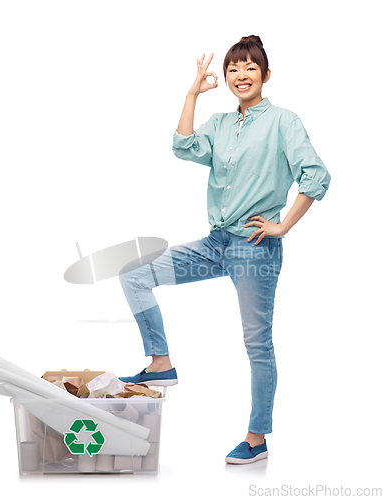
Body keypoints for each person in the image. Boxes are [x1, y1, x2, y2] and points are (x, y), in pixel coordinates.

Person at [118, 35, 331, 464]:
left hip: (255, 250)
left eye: (250, 68)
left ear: (265, 76)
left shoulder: (283, 122)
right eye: (234, 68)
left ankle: (257, 439)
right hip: (215, 243)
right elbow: (183, 147)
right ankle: (161, 362)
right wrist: (191, 94)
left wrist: (283, 226)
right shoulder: (218, 123)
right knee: (134, 274)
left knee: (258, 346)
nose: (240, 75)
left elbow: (316, 176)